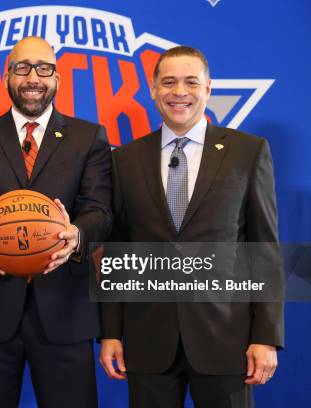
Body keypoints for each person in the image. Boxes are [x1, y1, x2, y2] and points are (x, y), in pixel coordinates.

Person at [99, 46, 284, 408]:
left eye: (190, 82)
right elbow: (115, 254)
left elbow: (264, 249)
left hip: (226, 338)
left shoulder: (248, 152)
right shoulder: (124, 159)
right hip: (147, 337)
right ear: (153, 89)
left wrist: (266, 336)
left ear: (208, 88)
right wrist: (110, 332)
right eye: (168, 82)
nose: (179, 92)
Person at [0, 36, 112, 408]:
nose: (33, 77)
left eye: (44, 68)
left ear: (57, 78)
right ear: (7, 76)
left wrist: (76, 236)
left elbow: (100, 211)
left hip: (65, 310)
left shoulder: (88, 137)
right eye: (22, 68)